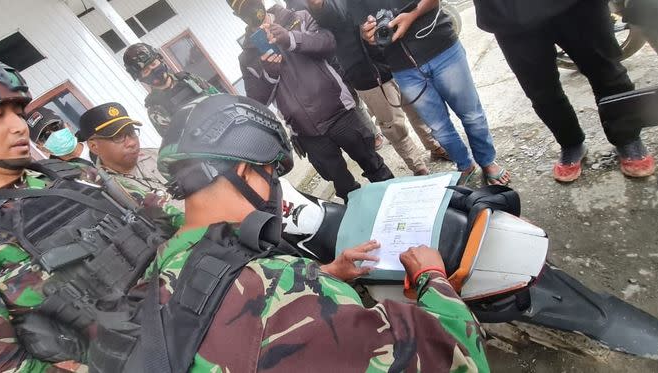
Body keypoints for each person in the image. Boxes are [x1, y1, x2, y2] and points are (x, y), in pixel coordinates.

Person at [86, 93, 488, 372]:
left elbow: (217, 305)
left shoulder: (164, 261)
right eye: (273, 173)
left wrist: (324, 274)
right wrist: (432, 279)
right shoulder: (280, 288)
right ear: (247, 171)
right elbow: (453, 358)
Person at [0, 56, 175, 372]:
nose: (19, 126)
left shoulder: (74, 175)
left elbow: (161, 225)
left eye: (18, 112)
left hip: (198, 320)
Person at [473, 0, 656, 182]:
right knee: (540, 90)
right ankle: (570, 143)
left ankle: (627, 137)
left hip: (578, 7)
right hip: (509, 14)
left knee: (607, 72)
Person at [231, 0, 395, 201]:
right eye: (242, 9)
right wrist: (270, 75)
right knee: (344, 186)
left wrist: (291, 38)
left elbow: (328, 43)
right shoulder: (247, 56)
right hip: (307, 132)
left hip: (339, 111)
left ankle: (397, 204)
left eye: (251, 3)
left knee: (373, 164)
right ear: (236, 15)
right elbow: (257, 101)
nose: (251, 11)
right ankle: (365, 222)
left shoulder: (297, 17)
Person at [358, 0, 510, 185]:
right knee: (439, 128)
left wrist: (412, 15)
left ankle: (487, 161)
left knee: (472, 115)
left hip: (442, 48)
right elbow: (361, 28)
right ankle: (464, 164)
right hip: (403, 68)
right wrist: (367, 34)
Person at [307, 0, 451, 175]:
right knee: (394, 125)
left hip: (396, 59)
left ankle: (434, 146)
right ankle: (418, 166)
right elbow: (323, 11)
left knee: (417, 110)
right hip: (365, 75)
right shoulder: (327, 6)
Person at [77, 102, 179, 219]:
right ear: (94, 146)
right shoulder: (105, 193)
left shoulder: (160, 154)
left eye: (131, 132)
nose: (131, 142)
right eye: (117, 137)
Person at [123, 43, 220, 137]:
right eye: (146, 71)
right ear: (141, 78)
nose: (153, 70)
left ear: (160, 60)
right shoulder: (155, 108)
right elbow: (178, 143)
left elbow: (219, 97)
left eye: (153, 64)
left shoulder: (189, 79)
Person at [26, 106, 93, 166]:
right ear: (41, 148)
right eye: (45, 135)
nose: (55, 135)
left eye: (56, 126)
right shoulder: (58, 177)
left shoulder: (99, 139)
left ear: (67, 125)